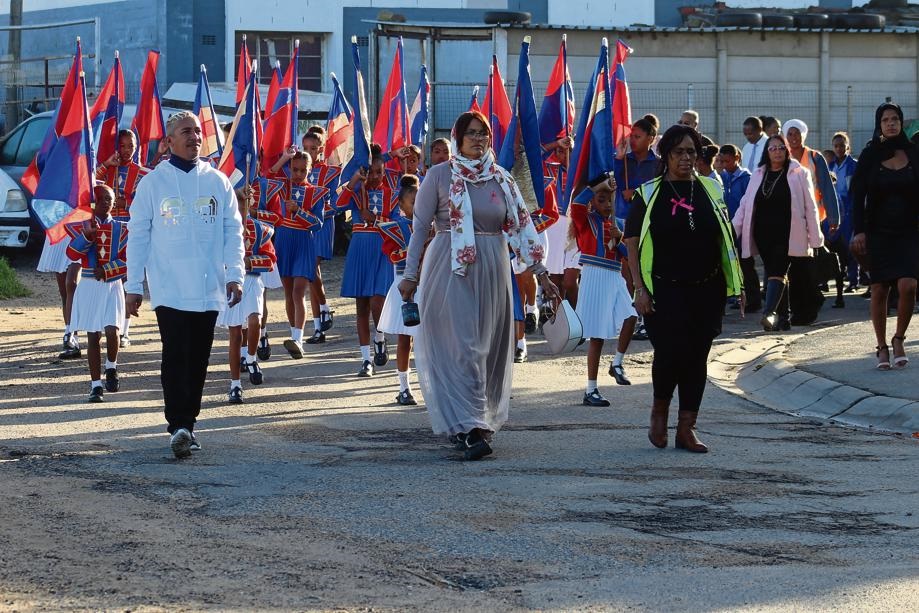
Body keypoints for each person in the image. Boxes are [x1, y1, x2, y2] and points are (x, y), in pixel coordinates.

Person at [397, 111, 560, 461]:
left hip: (494, 268)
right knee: (464, 347)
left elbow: (522, 227)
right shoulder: (439, 175)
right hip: (450, 269)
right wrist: (410, 276)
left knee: (488, 349)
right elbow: (420, 228)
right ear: (458, 138)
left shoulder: (501, 178)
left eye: (483, 133)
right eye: (470, 133)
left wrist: (542, 273)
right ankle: (469, 426)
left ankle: (476, 422)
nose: (477, 139)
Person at [126, 111, 245, 459]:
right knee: (175, 352)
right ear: (169, 141)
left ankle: (188, 426)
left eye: (197, 131)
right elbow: (137, 235)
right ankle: (177, 423)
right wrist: (134, 285)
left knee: (198, 357)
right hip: (169, 285)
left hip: (208, 286)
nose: (194, 137)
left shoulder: (218, 181)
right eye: (185, 132)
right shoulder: (152, 184)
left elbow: (233, 230)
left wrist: (235, 275)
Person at [624, 124, 744, 454]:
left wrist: (738, 283)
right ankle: (659, 413)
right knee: (670, 353)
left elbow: (726, 238)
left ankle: (687, 428)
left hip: (707, 289)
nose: (686, 158)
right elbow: (631, 242)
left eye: (692, 152)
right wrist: (639, 289)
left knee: (696, 357)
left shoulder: (711, 188)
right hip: (665, 290)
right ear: (666, 155)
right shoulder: (648, 193)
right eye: (679, 152)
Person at [850, 102, 919, 370]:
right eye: (885, 120)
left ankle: (899, 338)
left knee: (908, 286)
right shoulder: (870, 155)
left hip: (909, 231)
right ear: (879, 125)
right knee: (879, 289)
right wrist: (859, 230)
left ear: (901, 123)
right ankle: (881, 346)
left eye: (895, 119)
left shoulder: (913, 153)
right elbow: (858, 197)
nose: (891, 123)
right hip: (877, 231)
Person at [733, 133, 823, 332]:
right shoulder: (758, 174)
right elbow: (745, 204)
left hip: (788, 233)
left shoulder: (799, 173)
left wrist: (816, 239)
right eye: (772, 148)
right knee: (777, 273)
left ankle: (769, 312)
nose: (777, 152)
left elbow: (810, 207)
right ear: (767, 152)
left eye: (781, 148)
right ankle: (783, 319)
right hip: (763, 234)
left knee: (777, 271)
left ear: (787, 150)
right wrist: (734, 229)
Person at [570, 176, 637, 405]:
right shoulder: (585, 220)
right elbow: (577, 204)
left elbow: (628, 256)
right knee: (597, 336)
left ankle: (617, 363)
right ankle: (591, 390)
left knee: (631, 316)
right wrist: (598, 185)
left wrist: (620, 240)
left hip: (614, 276)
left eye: (610, 200)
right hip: (594, 275)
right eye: (601, 200)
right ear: (593, 202)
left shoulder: (618, 223)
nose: (607, 204)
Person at [337, 148, 398, 377]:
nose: (374, 177)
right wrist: (354, 181)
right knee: (361, 306)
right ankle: (365, 360)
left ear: (384, 171)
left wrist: (376, 219)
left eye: (378, 172)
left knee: (377, 302)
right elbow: (337, 204)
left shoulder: (392, 195)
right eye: (370, 172)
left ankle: (380, 337)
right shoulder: (356, 193)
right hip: (359, 250)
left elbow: (398, 223)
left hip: (382, 251)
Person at [65, 185, 127, 402]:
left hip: (112, 284)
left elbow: (130, 260)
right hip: (89, 284)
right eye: (100, 199)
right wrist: (87, 236)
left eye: (108, 199)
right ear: (92, 202)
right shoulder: (83, 226)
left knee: (112, 330)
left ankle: (111, 366)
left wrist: (108, 270)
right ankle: (95, 386)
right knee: (93, 335)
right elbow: (72, 254)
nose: (105, 202)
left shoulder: (122, 229)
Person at [217, 181, 277, 403]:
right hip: (231, 282)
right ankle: (235, 385)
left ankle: (251, 358)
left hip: (252, 281)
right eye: (237, 203)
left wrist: (250, 261)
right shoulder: (222, 230)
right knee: (235, 335)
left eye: (244, 203)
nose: (241, 208)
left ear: (250, 204)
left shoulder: (261, 229)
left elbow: (270, 260)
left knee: (255, 321)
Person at [784, 119, 841, 324]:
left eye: (797, 133)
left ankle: (809, 301)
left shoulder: (815, 157)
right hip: (788, 220)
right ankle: (805, 302)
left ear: (804, 135)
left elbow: (826, 187)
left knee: (806, 263)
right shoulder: (782, 157)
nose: (793, 138)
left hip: (812, 218)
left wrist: (833, 217)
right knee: (794, 265)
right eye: (790, 134)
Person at [271, 151, 326, 358]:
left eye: (303, 170)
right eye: (295, 169)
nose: (298, 174)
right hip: (284, 241)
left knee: (298, 292)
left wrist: (299, 210)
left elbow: (318, 224)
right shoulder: (282, 186)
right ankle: (294, 335)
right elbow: (267, 175)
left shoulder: (316, 193)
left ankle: (298, 339)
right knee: (288, 293)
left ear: (310, 170)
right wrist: (284, 157)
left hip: (304, 243)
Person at [95, 129, 148, 347]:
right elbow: (89, 184)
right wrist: (107, 164)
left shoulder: (142, 174)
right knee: (103, 279)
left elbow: (147, 201)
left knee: (127, 278)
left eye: (131, 146)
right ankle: (101, 325)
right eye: (123, 146)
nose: (127, 150)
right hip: (105, 230)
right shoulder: (108, 169)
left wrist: (126, 203)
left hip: (128, 230)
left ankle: (125, 331)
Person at [378, 175, 421, 405]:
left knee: (430, 340)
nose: (418, 206)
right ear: (401, 205)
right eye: (413, 202)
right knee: (405, 339)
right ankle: (404, 387)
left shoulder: (434, 227)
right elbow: (394, 256)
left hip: (429, 287)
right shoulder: (395, 229)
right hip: (405, 288)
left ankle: (434, 385)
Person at [829, 131, 861, 293]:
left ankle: (854, 280)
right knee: (834, 246)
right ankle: (836, 280)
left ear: (847, 146)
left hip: (849, 211)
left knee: (851, 247)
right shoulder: (830, 166)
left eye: (842, 145)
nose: (839, 149)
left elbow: (858, 191)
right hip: (834, 211)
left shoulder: (854, 166)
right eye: (836, 146)